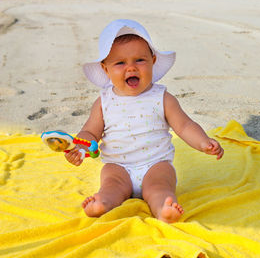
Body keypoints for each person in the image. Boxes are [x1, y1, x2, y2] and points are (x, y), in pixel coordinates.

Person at [65, 19, 224, 223]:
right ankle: (103, 202)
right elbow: (90, 132)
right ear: (105, 69)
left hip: (155, 164)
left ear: (153, 61)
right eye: (120, 63)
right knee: (111, 184)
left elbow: (184, 126)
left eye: (139, 60)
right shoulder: (103, 102)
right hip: (118, 166)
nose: (131, 68)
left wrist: (203, 142)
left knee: (159, 186)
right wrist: (80, 147)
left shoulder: (162, 97)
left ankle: (163, 207)